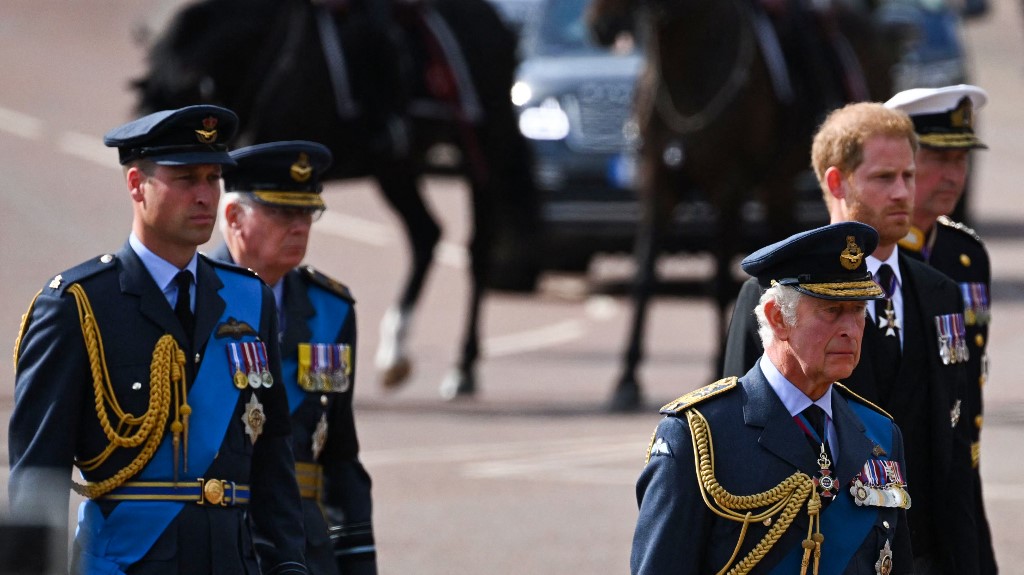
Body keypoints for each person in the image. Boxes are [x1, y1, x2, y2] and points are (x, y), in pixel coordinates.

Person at [9, 105, 309, 575]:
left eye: (213, 178)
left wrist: (288, 564)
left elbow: (272, 458)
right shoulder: (78, 307)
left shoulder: (248, 299)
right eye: (187, 178)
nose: (205, 195)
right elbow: (36, 479)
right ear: (136, 185)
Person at [721, 102, 979, 574]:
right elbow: (742, 435)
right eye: (884, 178)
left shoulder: (939, 291)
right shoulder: (773, 292)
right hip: (826, 553)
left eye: (908, 175)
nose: (903, 192)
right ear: (838, 183)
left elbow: (957, 456)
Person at [632, 221, 912, 574]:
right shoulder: (698, 437)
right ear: (777, 318)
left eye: (858, 310)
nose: (850, 330)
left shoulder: (881, 434)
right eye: (831, 311)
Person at [213, 141, 378, 575]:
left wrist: (357, 562)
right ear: (234, 217)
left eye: (307, 213)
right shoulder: (191, 299)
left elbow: (340, 455)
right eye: (283, 212)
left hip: (305, 549)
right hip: (216, 536)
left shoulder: (331, 310)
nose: (300, 226)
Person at [886, 84, 998, 574]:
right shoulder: (873, 257)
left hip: (954, 476)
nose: (953, 175)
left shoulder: (965, 256)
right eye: (937, 157)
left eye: (962, 159)